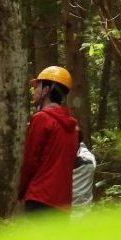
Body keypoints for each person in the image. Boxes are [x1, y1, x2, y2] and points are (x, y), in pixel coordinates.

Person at [18, 66, 79, 213]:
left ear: (46, 90)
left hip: (40, 198)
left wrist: (21, 190)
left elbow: (30, 160)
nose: (34, 91)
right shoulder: (73, 125)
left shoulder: (42, 119)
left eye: (37, 86)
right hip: (63, 203)